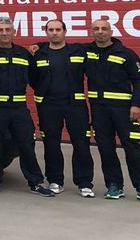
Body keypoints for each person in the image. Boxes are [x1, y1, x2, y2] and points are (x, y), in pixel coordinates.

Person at [0, 17, 54, 196]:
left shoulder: (23, 54)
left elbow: (35, 78)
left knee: (27, 143)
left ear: (14, 32)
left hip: (18, 107)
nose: (4, 33)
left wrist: (39, 44)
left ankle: (35, 182)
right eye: (1, 30)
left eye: (8, 30)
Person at [83, 19, 140, 203]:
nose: (100, 32)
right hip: (99, 109)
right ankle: (114, 186)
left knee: (132, 148)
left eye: (104, 29)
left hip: (124, 110)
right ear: (92, 32)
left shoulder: (127, 54)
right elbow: (61, 47)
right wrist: (38, 45)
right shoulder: (86, 52)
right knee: (106, 149)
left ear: (111, 31)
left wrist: (137, 105)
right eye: (96, 29)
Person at [29, 19, 95, 197]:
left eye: (58, 29)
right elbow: (32, 79)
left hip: (75, 105)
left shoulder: (79, 50)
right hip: (49, 105)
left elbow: (101, 44)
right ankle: (55, 180)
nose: (55, 33)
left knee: (81, 144)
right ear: (46, 32)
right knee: (51, 144)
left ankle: (84, 182)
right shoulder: (38, 53)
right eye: (51, 30)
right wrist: (38, 45)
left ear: (65, 31)